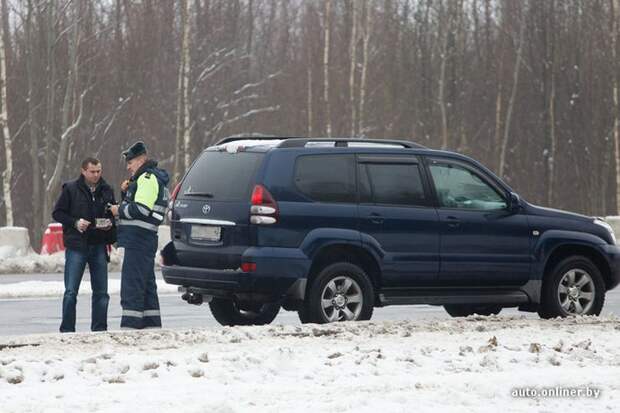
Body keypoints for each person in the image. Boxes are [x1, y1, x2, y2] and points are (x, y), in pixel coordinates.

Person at [110, 141, 170, 329]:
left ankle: (130, 328)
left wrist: (118, 210)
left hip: (137, 240)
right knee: (146, 286)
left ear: (140, 160)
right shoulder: (148, 180)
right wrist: (126, 193)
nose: (128, 166)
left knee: (132, 287)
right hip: (144, 239)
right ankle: (151, 327)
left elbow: (142, 210)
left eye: (130, 162)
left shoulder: (146, 179)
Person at [52, 157, 116, 333]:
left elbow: (112, 214)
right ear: (83, 171)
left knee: (102, 293)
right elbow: (57, 213)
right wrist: (75, 223)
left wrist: (110, 223)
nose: (96, 175)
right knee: (71, 292)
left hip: (99, 245)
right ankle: (67, 330)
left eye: (98, 171)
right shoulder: (71, 189)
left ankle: (99, 330)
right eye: (92, 171)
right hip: (77, 246)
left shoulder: (107, 190)